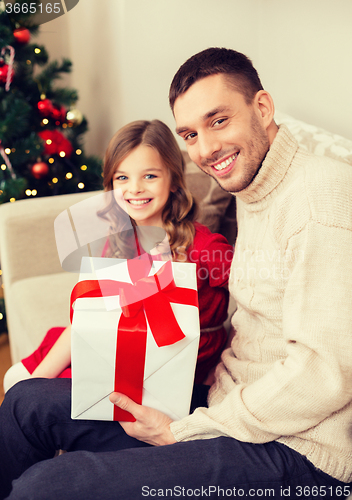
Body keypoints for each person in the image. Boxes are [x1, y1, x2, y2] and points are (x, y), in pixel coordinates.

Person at [1, 47, 352, 500]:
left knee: (47, 487)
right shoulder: (255, 185)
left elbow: (324, 374)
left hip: (297, 452)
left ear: (262, 108)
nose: (205, 150)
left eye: (218, 121)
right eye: (190, 133)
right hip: (227, 409)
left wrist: (186, 430)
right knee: (27, 402)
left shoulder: (319, 199)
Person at [3, 119, 233, 392]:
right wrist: (36, 384)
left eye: (150, 176)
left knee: (35, 393)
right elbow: (92, 319)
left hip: (167, 370)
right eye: (122, 177)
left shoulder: (205, 247)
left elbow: (254, 306)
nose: (134, 188)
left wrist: (224, 361)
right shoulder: (120, 241)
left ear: (173, 181)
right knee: (15, 378)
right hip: (116, 345)